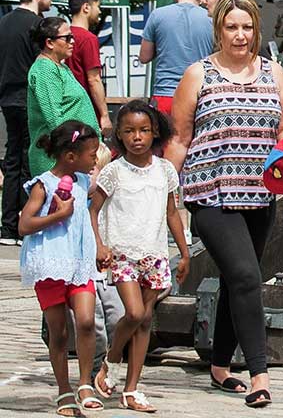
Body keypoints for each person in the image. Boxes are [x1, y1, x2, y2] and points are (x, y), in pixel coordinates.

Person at [166, 0, 283, 407]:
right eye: (231, 27)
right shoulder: (197, 75)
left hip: (260, 194)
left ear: (257, 28)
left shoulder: (275, 73)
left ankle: (219, 365)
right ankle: (259, 373)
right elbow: (180, 139)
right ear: (218, 29)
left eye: (247, 26)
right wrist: (165, 195)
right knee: (246, 277)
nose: (240, 35)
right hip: (210, 193)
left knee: (238, 279)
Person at [86, 101, 187, 413]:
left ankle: (131, 390)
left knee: (145, 322)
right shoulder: (114, 171)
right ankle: (111, 360)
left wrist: (183, 252)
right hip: (122, 253)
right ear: (119, 134)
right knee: (133, 313)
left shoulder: (166, 170)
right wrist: (100, 246)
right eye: (129, 131)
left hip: (154, 253)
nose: (137, 137)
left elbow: (172, 213)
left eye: (143, 130)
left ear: (155, 131)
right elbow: (93, 211)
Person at [20, 120, 104, 415]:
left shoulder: (83, 182)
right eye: (91, 154)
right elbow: (24, 225)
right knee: (58, 333)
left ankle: (84, 382)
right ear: (70, 157)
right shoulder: (43, 185)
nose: (95, 159)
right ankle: (63, 390)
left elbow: (88, 214)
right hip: (50, 262)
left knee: (85, 321)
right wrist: (59, 215)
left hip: (79, 263)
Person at [2, 0, 57, 245]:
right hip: (29, 99)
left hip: (7, 98)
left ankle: (8, 226)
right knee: (28, 158)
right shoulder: (38, 26)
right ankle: (26, 222)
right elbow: (42, 66)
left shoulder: (4, 22)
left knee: (12, 159)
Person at [28, 17, 101, 178]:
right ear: (49, 43)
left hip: (75, 156)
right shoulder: (44, 70)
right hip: (59, 160)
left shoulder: (60, 66)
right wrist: (76, 151)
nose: (73, 41)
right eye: (67, 38)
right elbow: (55, 120)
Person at [139, 0, 214, 115]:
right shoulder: (212, 19)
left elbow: (144, 57)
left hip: (165, 93)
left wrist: (163, 45)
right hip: (200, 94)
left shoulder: (157, 15)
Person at [62, 0, 110, 131]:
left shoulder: (61, 36)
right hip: (86, 110)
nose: (100, 11)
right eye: (98, 6)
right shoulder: (88, 39)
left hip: (66, 108)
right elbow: (94, 79)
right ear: (86, 7)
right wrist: (105, 115)